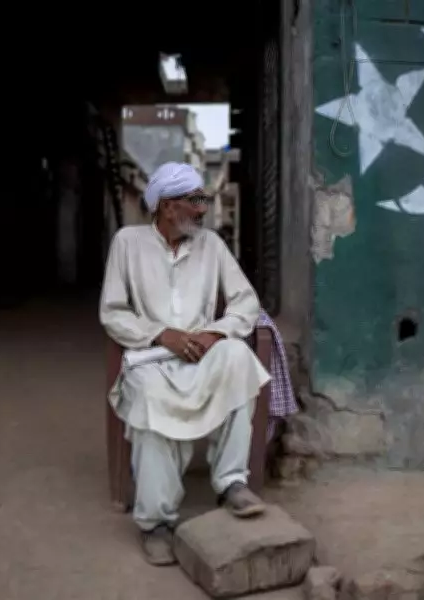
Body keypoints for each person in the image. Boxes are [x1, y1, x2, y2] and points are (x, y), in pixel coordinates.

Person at [99, 162, 271, 566]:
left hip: (203, 352)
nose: (203, 209)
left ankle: (231, 483)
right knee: (150, 396)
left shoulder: (211, 245)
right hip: (152, 356)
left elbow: (245, 302)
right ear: (166, 206)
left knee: (238, 358)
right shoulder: (128, 243)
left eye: (203, 199)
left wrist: (215, 333)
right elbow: (113, 312)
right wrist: (161, 334)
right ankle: (156, 523)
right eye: (195, 201)